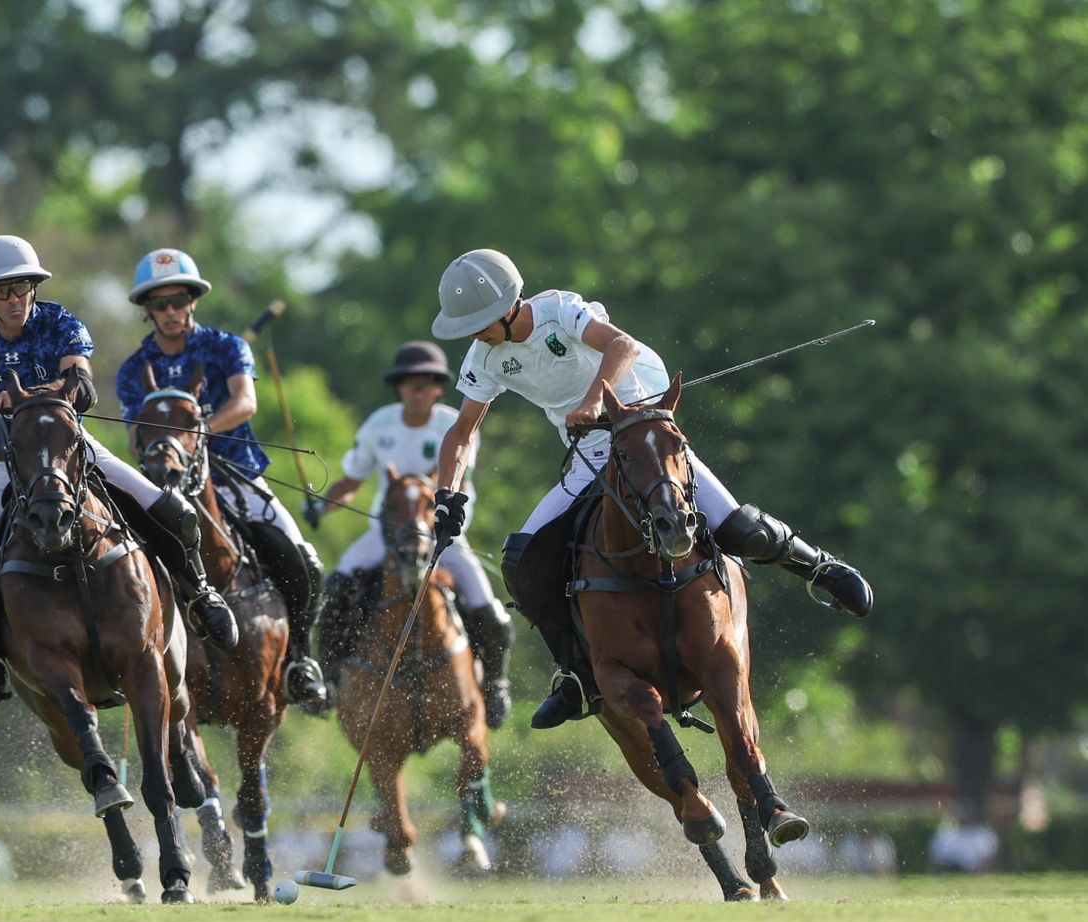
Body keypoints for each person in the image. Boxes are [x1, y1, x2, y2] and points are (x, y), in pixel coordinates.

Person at [427, 248, 873, 730]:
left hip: (644, 433)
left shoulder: (559, 312)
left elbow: (623, 346)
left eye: (480, 322)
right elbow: (462, 431)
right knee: (522, 563)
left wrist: (597, 397)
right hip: (592, 455)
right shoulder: (484, 358)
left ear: (509, 306)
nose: (474, 334)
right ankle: (578, 677)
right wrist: (447, 495)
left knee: (739, 530)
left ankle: (818, 567)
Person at [0, 235, 238, 710]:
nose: (13, 300)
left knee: (169, 508)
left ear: (34, 286)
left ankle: (200, 594)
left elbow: (82, 385)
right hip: (2, 463)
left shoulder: (61, 323)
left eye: (21, 288)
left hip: (72, 450)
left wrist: (32, 394)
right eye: (1, 292)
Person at [114, 248, 328, 714]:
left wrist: (199, 433)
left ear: (193, 300)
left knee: (301, 557)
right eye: (160, 303)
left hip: (236, 471)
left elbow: (245, 402)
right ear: (147, 310)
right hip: (163, 483)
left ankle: (301, 661)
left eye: (179, 300)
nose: (171, 311)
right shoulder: (133, 369)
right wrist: (165, 451)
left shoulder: (227, 347)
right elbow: (134, 437)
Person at [312, 341, 515, 729]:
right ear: (399, 387)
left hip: (443, 540)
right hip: (385, 537)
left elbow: (453, 475)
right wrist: (322, 504)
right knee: (335, 588)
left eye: (426, 384)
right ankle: (329, 678)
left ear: (439, 387)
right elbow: (351, 481)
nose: (417, 391)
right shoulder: (379, 425)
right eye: (410, 384)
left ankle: (495, 686)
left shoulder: (454, 424)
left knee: (490, 610)